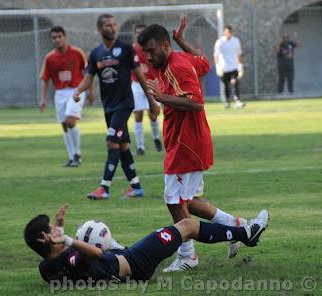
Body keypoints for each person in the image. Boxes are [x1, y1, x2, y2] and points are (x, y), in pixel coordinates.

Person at [137, 17, 249, 273]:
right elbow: (206, 64)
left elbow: (197, 103)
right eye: (145, 53)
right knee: (187, 200)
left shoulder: (178, 67)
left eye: (152, 51)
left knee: (173, 200)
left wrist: (159, 97)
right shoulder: (173, 59)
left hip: (187, 144)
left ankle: (188, 255)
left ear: (164, 47)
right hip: (181, 141)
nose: (149, 58)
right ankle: (236, 226)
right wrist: (182, 41)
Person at [24, 204, 269, 283]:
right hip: (134, 262)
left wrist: (61, 231)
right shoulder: (69, 256)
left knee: (185, 226)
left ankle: (241, 232)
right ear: (46, 239)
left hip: (126, 260)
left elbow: (60, 261)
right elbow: (95, 255)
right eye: (52, 231)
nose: (56, 231)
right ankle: (245, 233)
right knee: (187, 226)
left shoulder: (46, 269)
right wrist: (67, 238)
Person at [73, 14, 160, 200]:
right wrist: (78, 91)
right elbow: (88, 77)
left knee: (111, 141)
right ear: (100, 29)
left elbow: (141, 77)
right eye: (108, 25)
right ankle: (136, 187)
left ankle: (104, 188)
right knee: (122, 146)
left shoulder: (126, 49)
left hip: (124, 104)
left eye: (114, 24)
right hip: (109, 106)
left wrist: (152, 102)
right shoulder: (96, 53)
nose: (112, 28)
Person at [39, 26, 94, 167]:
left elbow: (89, 73)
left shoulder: (77, 52)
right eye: (54, 38)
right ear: (51, 40)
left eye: (59, 36)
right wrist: (43, 99)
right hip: (60, 93)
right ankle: (71, 157)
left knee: (70, 121)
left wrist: (91, 92)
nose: (57, 40)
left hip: (76, 90)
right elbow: (45, 78)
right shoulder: (49, 58)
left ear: (65, 37)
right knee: (64, 125)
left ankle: (77, 154)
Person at [131, 23, 162, 155]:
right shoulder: (131, 50)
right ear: (134, 34)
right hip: (137, 85)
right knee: (138, 115)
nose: (140, 34)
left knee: (153, 115)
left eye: (142, 32)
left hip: (151, 84)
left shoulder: (151, 48)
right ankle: (140, 147)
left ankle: (156, 138)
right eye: (138, 32)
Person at [214, 25, 245, 109]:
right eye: (227, 32)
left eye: (230, 32)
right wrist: (217, 67)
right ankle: (227, 101)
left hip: (234, 66)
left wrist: (240, 66)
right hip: (224, 67)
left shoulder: (236, 41)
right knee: (226, 85)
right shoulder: (219, 42)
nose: (229, 34)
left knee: (235, 82)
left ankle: (237, 101)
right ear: (224, 32)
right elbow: (216, 55)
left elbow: (239, 54)